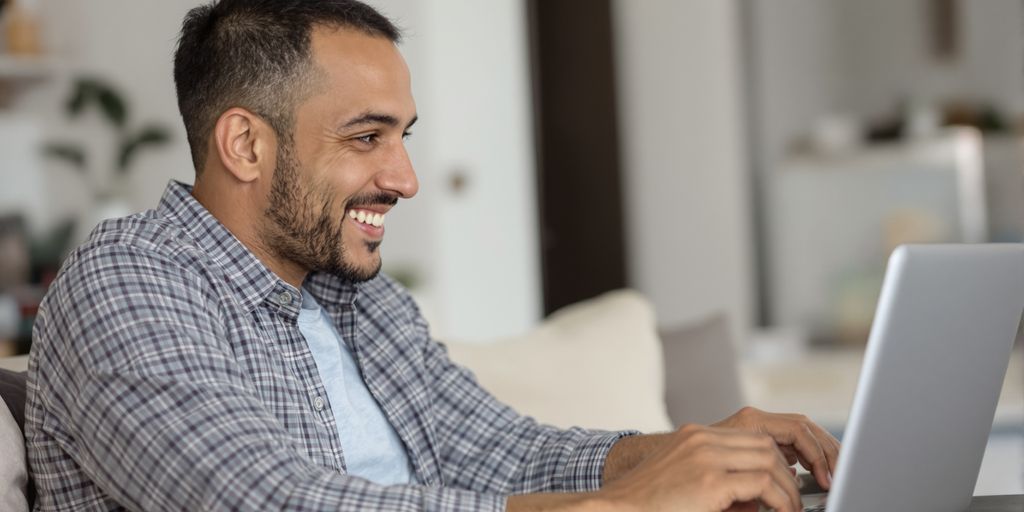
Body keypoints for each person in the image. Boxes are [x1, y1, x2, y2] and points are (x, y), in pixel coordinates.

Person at [25, 1, 839, 510]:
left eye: (402, 138)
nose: (405, 178)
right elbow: (258, 497)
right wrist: (627, 508)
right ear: (244, 143)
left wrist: (686, 451)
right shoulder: (128, 279)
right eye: (366, 137)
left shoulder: (358, 298)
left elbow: (499, 450)